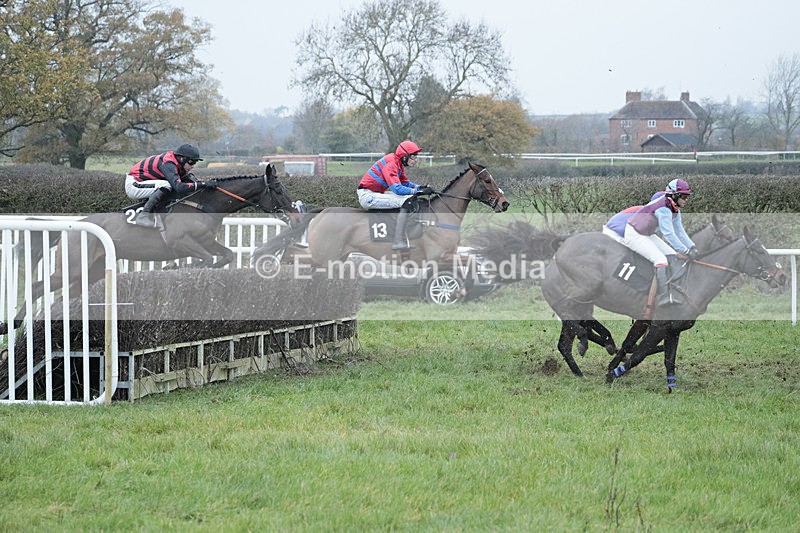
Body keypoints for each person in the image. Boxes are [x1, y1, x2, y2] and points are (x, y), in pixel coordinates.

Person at [625, 179, 698, 306]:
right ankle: (663, 297)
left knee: (672, 256)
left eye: (687, 197)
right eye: (684, 196)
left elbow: (680, 231)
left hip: (646, 233)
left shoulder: (675, 208)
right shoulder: (664, 209)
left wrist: (692, 246)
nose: (686, 200)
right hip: (634, 234)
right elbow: (669, 234)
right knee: (661, 260)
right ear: (674, 195)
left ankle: (671, 291)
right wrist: (685, 251)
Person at [357, 140, 434, 249]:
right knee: (407, 200)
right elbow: (397, 189)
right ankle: (398, 241)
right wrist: (418, 192)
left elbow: (405, 183)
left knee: (409, 197)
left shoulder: (398, 163)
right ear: (404, 156)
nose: (415, 160)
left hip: (374, 193)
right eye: (413, 157)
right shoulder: (392, 164)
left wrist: (421, 187)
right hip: (368, 196)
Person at [125, 144, 209, 227]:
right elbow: (179, 187)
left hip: (144, 183)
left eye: (195, 162)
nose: (193, 166)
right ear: (182, 158)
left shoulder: (176, 163)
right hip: (134, 184)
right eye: (191, 162)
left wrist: (203, 183)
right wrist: (201, 184)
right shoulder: (168, 163)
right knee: (166, 185)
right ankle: (143, 216)